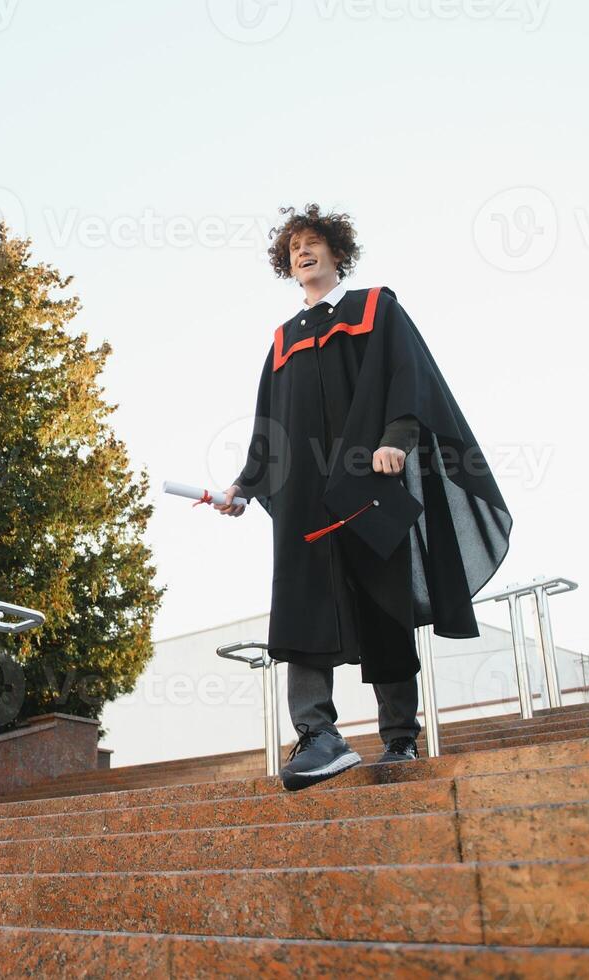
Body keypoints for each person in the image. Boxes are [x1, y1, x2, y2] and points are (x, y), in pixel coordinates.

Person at [215, 204, 511, 791]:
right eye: (294, 246)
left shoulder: (373, 308)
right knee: (301, 602)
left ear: (335, 252)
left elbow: (408, 378)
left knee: (384, 606)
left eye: (314, 242)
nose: (303, 252)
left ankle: (400, 735)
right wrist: (244, 487)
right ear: (287, 263)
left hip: (366, 480)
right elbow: (267, 424)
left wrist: (396, 441)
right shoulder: (282, 341)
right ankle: (318, 734)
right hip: (303, 495)